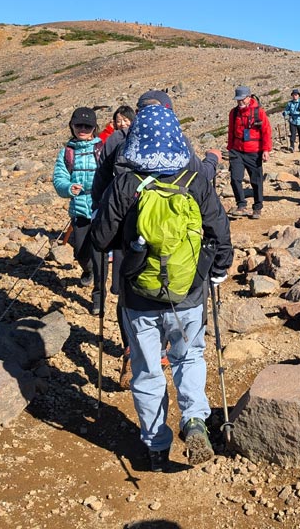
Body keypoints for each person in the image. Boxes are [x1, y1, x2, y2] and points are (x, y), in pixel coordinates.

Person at [90, 104, 234, 472]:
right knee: (189, 357)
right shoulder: (195, 178)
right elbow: (220, 231)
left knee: (147, 370)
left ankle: (155, 445)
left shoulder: (126, 183)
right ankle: (195, 421)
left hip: (138, 296)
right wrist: (216, 271)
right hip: (188, 293)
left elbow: (101, 238)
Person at [52, 107, 104, 315]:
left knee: (100, 255)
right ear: (72, 126)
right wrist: (67, 188)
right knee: (81, 252)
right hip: (79, 209)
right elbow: (59, 179)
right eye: (78, 125)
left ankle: (98, 298)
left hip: (101, 208)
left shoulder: (102, 148)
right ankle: (88, 269)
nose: (83, 129)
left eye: (87, 125)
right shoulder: (67, 153)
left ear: (94, 128)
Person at [227, 86, 272, 219]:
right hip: (237, 151)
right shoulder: (233, 113)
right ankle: (241, 205)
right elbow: (231, 131)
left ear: (248, 97)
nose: (239, 102)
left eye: (241, 99)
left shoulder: (259, 112)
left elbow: (266, 131)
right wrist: (230, 148)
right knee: (235, 179)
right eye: (237, 100)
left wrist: (266, 150)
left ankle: (257, 207)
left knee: (256, 181)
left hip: (254, 151)